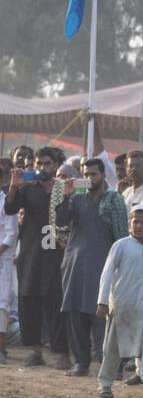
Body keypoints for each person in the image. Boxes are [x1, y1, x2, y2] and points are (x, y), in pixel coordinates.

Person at [56, 158, 128, 376]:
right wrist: (67, 194)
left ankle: (109, 364)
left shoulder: (114, 200)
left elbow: (121, 233)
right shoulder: (76, 199)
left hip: (102, 266)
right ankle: (81, 362)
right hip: (75, 266)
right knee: (75, 312)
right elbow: (60, 221)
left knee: (102, 315)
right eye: (85, 174)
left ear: (103, 175)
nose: (89, 178)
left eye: (93, 174)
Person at [96, 207, 143, 398]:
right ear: (129, 224)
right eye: (135, 222)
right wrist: (103, 301)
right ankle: (105, 384)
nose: (139, 226)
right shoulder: (121, 245)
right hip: (122, 303)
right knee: (113, 348)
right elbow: (107, 273)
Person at [4, 146, 70, 367]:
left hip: (56, 251)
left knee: (56, 302)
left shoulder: (63, 188)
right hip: (31, 252)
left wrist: (68, 197)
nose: (42, 168)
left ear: (55, 165)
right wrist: (14, 186)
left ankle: (62, 352)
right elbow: (11, 208)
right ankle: (35, 350)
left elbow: (69, 217)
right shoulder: (28, 188)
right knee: (29, 300)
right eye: (39, 164)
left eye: (47, 164)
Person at [0, 158, 16, 363]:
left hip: (2, 260)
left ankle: (1, 349)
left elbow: (11, 235)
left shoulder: (7, 201)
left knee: (2, 305)